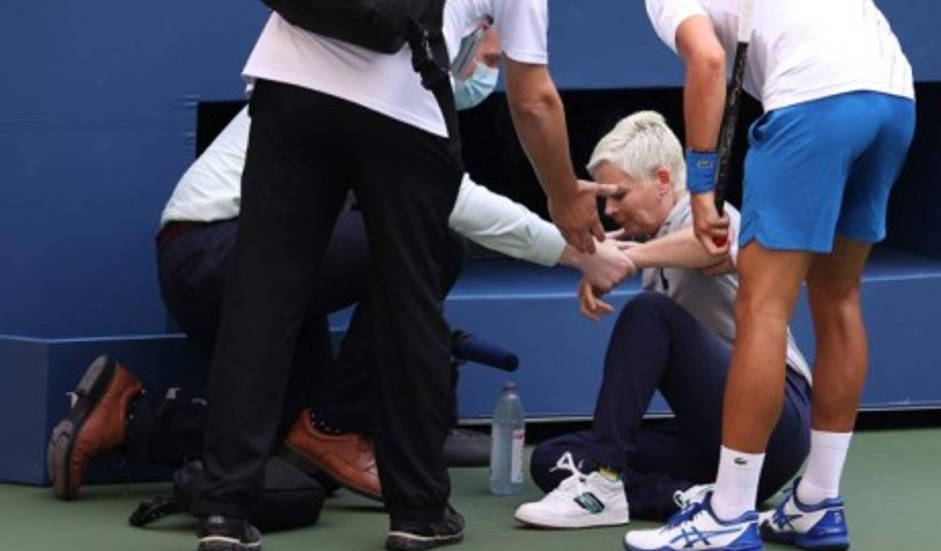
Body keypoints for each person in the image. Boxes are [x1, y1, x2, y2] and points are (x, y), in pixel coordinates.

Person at [194, 0, 606, 551]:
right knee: (411, 302)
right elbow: (534, 98)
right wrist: (561, 194)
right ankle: (418, 509)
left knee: (263, 294)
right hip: (404, 110)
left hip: (288, 83)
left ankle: (223, 509)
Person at [46, 30, 634, 504]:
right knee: (433, 238)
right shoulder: (389, 86)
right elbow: (450, 201)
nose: (493, 68)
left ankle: (128, 414)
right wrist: (579, 251)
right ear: (460, 33)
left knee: (284, 455)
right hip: (214, 250)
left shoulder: (398, 87)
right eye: (489, 53)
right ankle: (336, 424)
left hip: (249, 265)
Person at [621, 0, 915, 551]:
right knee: (839, 299)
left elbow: (707, 62)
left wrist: (701, 187)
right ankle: (816, 502)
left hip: (815, 105)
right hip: (895, 104)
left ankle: (727, 515)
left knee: (763, 307)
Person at [513, 111, 811, 529]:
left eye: (619, 195)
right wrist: (614, 261)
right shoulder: (658, 243)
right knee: (555, 459)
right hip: (714, 440)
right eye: (606, 200)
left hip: (778, 424)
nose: (611, 209)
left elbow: (715, 248)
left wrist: (624, 260)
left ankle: (605, 482)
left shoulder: (706, 213)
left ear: (663, 180)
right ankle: (680, 498)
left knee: (648, 313)